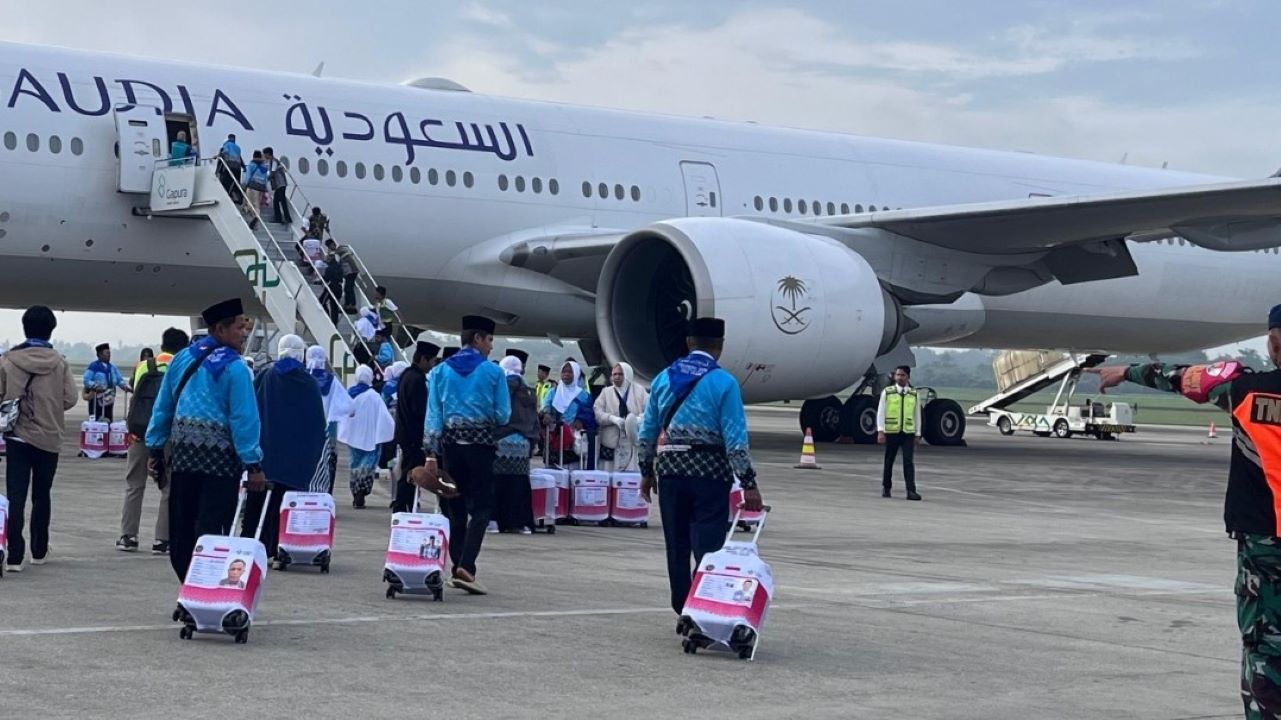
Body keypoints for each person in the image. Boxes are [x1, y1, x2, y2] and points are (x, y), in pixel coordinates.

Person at [1088, 304, 1281, 717]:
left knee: (1265, 647)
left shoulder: (1246, 391)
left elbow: (1180, 378)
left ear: (1273, 342)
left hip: (1265, 547)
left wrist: (1125, 372)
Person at [637, 317, 764, 618]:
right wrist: (748, 482)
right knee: (708, 548)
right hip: (711, 476)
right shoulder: (725, 383)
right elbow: (735, 440)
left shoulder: (664, 378)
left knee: (676, 545)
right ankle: (704, 608)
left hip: (670, 473)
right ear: (719, 346)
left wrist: (646, 471)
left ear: (688, 342)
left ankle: (682, 608)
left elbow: (646, 432)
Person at [146, 298, 264, 582]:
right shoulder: (235, 368)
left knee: (182, 526)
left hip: (184, 460)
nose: (243, 333)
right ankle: (204, 583)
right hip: (221, 466)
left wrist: (155, 447)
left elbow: (163, 407)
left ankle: (186, 582)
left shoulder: (183, 358)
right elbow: (243, 418)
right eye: (239, 327)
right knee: (212, 528)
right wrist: (254, 463)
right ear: (220, 330)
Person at [416, 315, 511, 594]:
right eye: (490, 340)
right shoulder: (494, 373)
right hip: (481, 449)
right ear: (478, 338)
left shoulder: (440, 372)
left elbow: (433, 416)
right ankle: (467, 567)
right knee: (481, 509)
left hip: (450, 450)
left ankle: (457, 565)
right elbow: (503, 414)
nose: (491, 347)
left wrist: (430, 455)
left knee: (454, 510)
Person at [0, 306, 78, 572]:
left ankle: (14, 556)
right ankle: (39, 550)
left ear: (24, 327)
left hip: (17, 437)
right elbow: (70, 399)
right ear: (51, 328)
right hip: (49, 436)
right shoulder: (60, 362)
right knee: (42, 495)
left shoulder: (9, 361)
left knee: (16, 495)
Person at [245, 335, 326, 561]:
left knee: (257, 504)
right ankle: (281, 548)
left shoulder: (264, 376)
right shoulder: (308, 383)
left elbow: (251, 411)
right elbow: (318, 423)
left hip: (265, 453)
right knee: (286, 507)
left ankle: (251, 545)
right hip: (295, 458)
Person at [117, 327, 188, 554]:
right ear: (183, 347)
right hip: (168, 434)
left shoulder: (143, 367)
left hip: (140, 433)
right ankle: (162, 539)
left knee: (134, 485)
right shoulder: (183, 367)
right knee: (168, 488)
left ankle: (128, 536)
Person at [493, 351, 540, 533]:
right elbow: (534, 420)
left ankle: (496, 521)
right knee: (519, 485)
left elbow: (497, 415)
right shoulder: (529, 392)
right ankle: (520, 523)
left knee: (498, 483)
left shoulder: (500, 388)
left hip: (501, 442)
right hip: (522, 444)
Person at [338, 365, 394, 508]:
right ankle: (362, 490)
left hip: (353, 436)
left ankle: (356, 490)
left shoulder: (349, 393)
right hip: (371, 436)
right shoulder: (374, 395)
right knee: (368, 464)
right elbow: (384, 415)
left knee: (355, 464)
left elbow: (343, 412)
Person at [393, 338, 439, 513]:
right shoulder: (418, 380)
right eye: (432, 361)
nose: (432, 366)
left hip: (404, 433)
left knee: (407, 472)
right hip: (413, 436)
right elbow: (420, 412)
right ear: (423, 359)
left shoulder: (406, 375)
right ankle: (402, 507)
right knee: (411, 474)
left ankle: (402, 506)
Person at [306, 345, 354, 495]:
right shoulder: (332, 381)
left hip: (306, 429)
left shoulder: (302, 377)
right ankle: (325, 495)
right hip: (328, 430)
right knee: (328, 463)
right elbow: (349, 406)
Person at [876, 365, 923, 501]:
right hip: (892, 431)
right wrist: (880, 430)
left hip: (907, 432)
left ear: (908, 377)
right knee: (889, 461)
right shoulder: (888, 392)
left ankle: (911, 490)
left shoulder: (914, 394)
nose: (899, 377)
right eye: (897, 375)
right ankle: (886, 487)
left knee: (908, 462)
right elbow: (881, 411)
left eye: (902, 375)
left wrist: (918, 433)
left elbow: (917, 414)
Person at [594, 362, 649, 471]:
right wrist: (612, 418)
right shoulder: (606, 392)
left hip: (633, 443)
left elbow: (650, 411)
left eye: (620, 374)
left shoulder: (639, 391)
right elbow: (597, 412)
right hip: (611, 443)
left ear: (627, 374)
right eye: (614, 374)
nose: (617, 377)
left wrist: (637, 420)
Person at [542, 360, 596, 469]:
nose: (566, 374)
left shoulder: (583, 395)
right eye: (564, 372)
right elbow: (546, 406)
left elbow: (590, 413)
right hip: (556, 438)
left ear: (576, 374)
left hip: (575, 440)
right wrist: (546, 414)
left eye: (570, 372)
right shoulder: (553, 392)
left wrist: (581, 420)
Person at [83, 343, 131, 421]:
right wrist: (95, 386)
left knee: (108, 418)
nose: (109, 355)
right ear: (100, 355)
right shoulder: (94, 366)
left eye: (109, 353)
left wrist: (125, 387)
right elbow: (86, 380)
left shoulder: (112, 367)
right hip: (96, 398)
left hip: (109, 398)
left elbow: (119, 380)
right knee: (97, 419)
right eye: (107, 353)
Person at [325, 238, 359, 312]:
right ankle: (347, 305)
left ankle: (352, 305)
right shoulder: (343, 248)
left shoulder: (338, 251)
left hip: (350, 271)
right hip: (352, 270)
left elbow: (336, 262)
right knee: (348, 288)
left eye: (329, 247)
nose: (330, 248)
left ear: (332, 244)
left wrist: (328, 257)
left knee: (348, 288)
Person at [263, 146, 292, 225]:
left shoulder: (274, 161)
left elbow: (273, 172)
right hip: (279, 185)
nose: (264, 156)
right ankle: (279, 218)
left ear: (268, 154)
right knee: (277, 201)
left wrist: (265, 179)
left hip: (281, 184)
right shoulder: (272, 161)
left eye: (265, 154)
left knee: (281, 201)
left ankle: (286, 218)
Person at [241, 151, 269, 229]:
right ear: (260, 157)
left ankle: (254, 217)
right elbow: (266, 179)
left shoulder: (251, 165)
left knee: (250, 203)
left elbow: (248, 176)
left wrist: (245, 185)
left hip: (253, 186)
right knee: (257, 205)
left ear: (253, 156)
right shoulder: (264, 167)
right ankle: (257, 216)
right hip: (261, 187)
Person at [321, 252, 345, 325]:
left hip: (331, 287)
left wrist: (321, 278)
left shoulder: (329, 268)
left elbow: (326, 278)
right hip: (339, 288)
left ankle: (328, 318)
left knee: (321, 302)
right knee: (334, 307)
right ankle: (334, 324)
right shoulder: (339, 267)